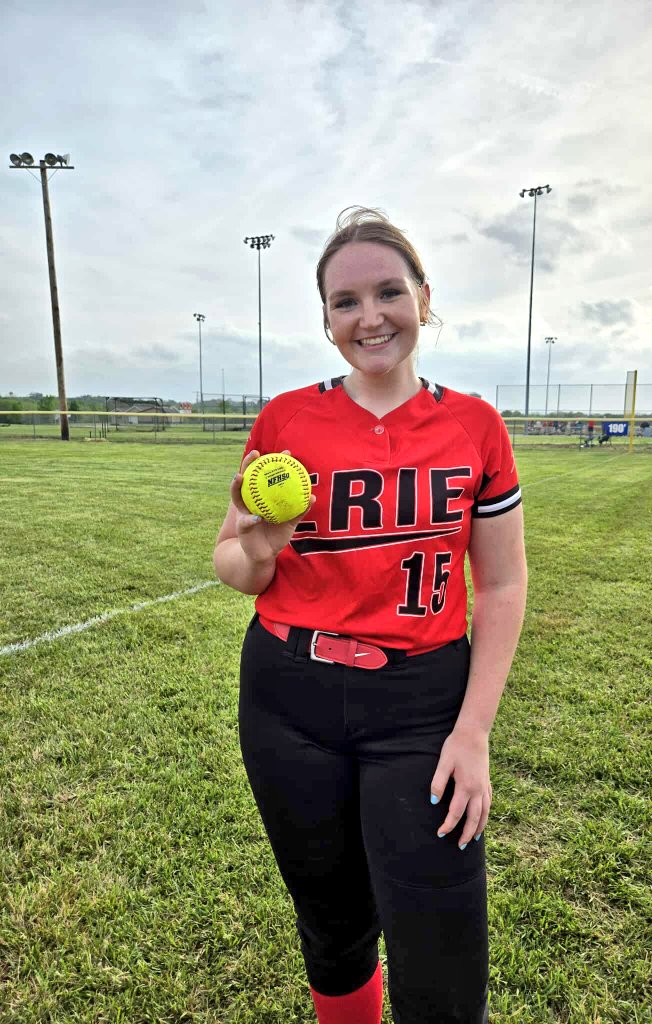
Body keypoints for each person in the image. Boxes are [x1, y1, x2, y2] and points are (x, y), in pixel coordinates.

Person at [213, 207, 527, 1024]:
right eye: (345, 302)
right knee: (333, 923)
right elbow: (235, 568)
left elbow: (500, 586)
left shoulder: (474, 425)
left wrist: (474, 731)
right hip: (290, 698)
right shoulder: (286, 421)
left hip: (422, 705)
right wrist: (259, 546)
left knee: (441, 944)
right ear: (325, 320)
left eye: (389, 292)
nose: (370, 316)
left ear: (424, 297)